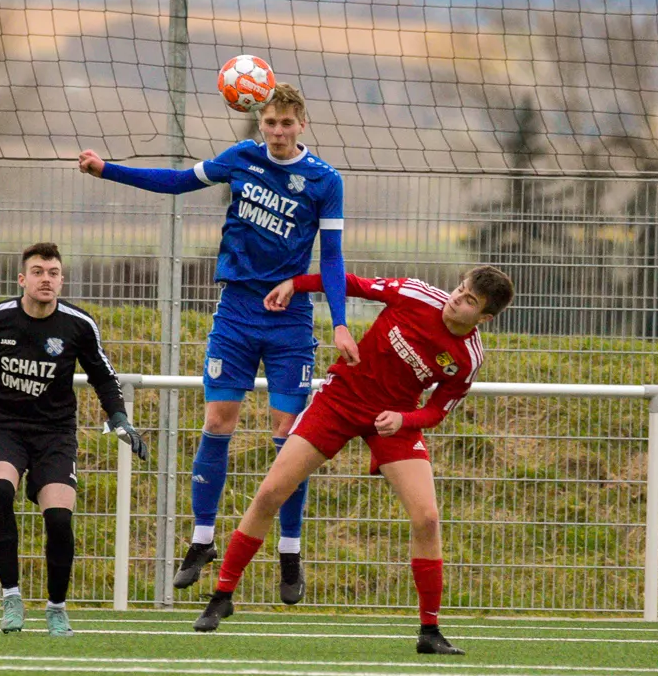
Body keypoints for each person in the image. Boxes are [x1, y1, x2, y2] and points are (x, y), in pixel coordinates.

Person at [77, 82, 352, 604]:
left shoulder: (324, 180)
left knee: (289, 435)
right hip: (236, 312)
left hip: (291, 318)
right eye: (269, 123)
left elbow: (333, 258)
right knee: (218, 421)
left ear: (302, 124)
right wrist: (107, 169)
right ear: (259, 122)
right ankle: (202, 540)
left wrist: (339, 322)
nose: (276, 132)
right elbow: (178, 181)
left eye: (286, 123)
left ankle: (289, 550)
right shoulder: (241, 158)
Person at [190, 265, 515, 655]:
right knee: (271, 493)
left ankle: (430, 631)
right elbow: (349, 283)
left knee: (427, 518)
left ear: (484, 318)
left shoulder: (468, 358)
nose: (456, 299)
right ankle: (222, 596)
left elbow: (437, 411)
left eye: (469, 300)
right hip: (340, 402)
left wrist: (405, 419)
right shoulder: (414, 294)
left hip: (392, 421)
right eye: (460, 289)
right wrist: (296, 283)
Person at [0, 242, 148, 635]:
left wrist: (119, 417)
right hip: (4, 427)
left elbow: (104, 375)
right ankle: (11, 597)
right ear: (22, 279)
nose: (45, 279)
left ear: (61, 280)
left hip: (55, 433)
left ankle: (56, 607)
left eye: (52, 273)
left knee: (59, 518)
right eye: (37, 272)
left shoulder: (78, 325)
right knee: (0, 491)